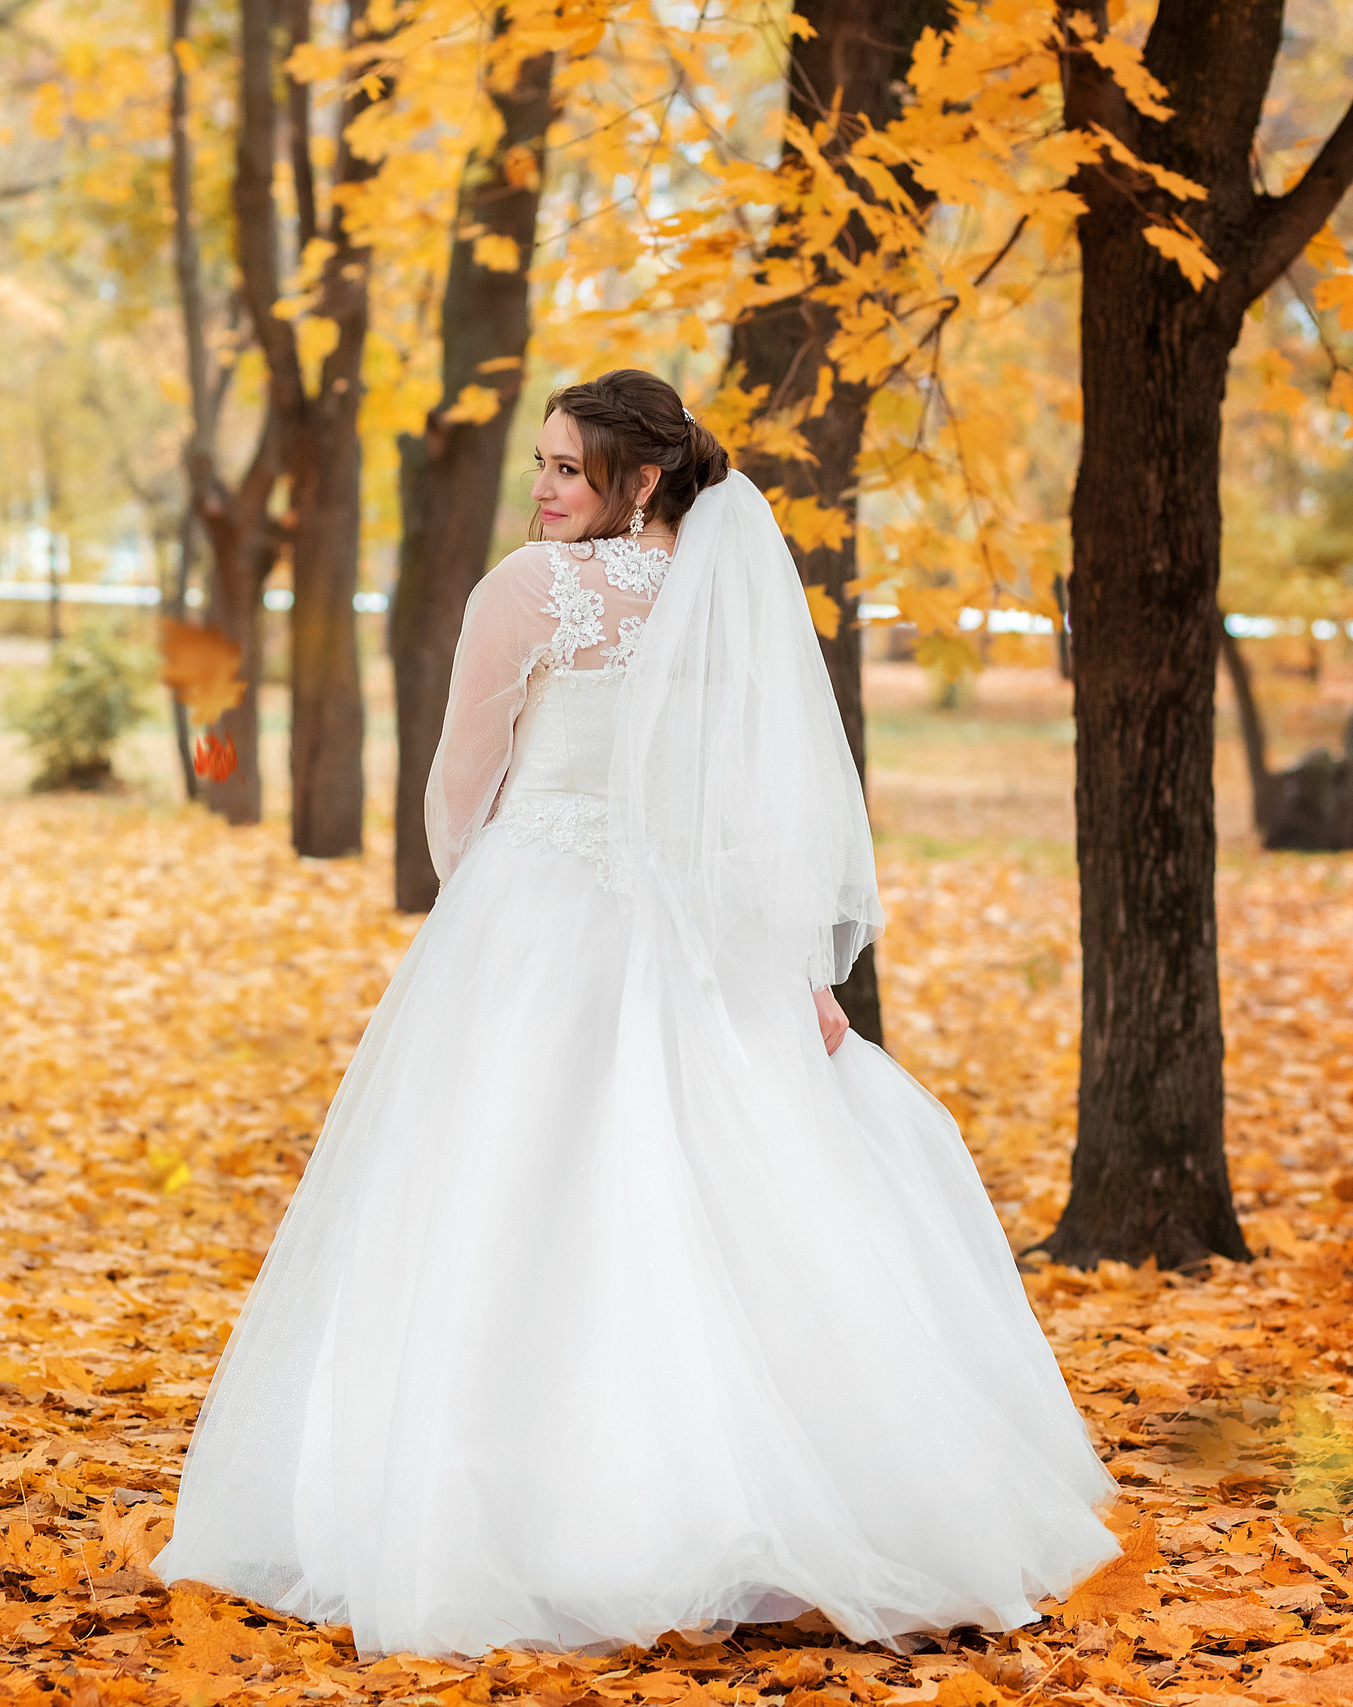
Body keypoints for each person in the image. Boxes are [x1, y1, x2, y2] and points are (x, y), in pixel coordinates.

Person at [149, 369, 1119, 1660]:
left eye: (567, 468)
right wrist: (793, 972)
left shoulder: (527, 594)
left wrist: (485, 911)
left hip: (545, 919)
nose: (543, 488)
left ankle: (535, 1530)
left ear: (642, 478)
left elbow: (457, 789)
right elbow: (751, 809)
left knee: (519, 1207)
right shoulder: (725, 602)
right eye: (541, 464)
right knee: (700, 1208)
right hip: (697, 940)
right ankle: (729, 1512)